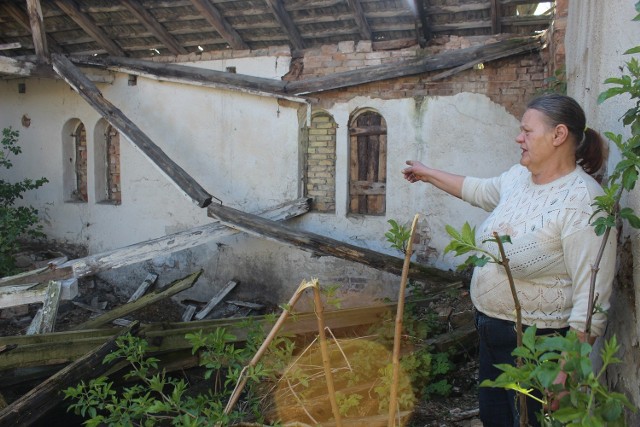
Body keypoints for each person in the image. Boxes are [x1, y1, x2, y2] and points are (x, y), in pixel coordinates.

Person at [402, 94, 617, 427]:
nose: (519, 138)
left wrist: (564, 371)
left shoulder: (583, 203)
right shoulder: (518, 178)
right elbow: (478, 189)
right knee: (495, 419)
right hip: (491, 334)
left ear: (558, 135)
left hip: (538, 346)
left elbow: (592, 302)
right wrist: (426, 172)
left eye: (527, 131)